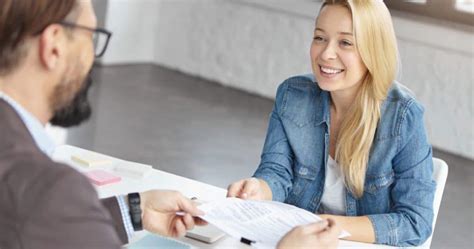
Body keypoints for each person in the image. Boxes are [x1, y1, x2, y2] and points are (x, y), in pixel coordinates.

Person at [0, 0, 341, 248]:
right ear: (54, 45)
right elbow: (42, 209)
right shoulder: (46, 188)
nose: (93, 56)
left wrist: (134, 210)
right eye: (91, 36)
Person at [227, 0, 436, 247]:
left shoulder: (403, 116)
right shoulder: (292, 95)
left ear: (373, 50)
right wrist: (258, 188)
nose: (326, 53)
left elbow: (415, 222)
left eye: (345, 42)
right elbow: (276, 171)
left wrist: (324, 226)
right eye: (319, 38)